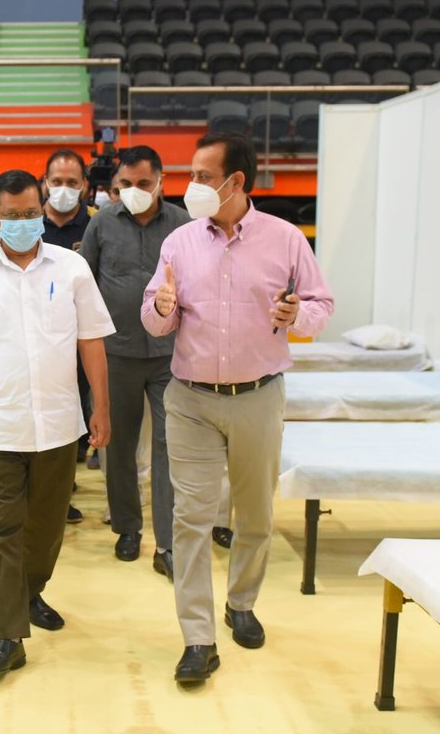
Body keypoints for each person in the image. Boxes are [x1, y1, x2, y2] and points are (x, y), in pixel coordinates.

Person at [141, 133, 334, 685]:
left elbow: (320, 304)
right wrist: (162, 306)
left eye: (203, 177)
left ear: (237, 181)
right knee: (191, 519)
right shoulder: (179, 242)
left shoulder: (285, 239)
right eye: (192, 175)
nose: (192, 186)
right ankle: (197, 637)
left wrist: (297, 316)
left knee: (255, 514)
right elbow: (153, 317)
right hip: (190, 400)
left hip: (258, 397)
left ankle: (241, 602)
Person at [0, 169, 114, 675]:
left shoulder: (72, 267)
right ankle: (7, 635)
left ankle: (30, 591)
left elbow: (91, 342)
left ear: (43, 211)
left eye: (31, 213)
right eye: (12, 215)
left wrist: (101, 407)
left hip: (58, 423)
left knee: (47, 525)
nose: (22, 222)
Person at [80, 144, 190, 579]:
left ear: (161, 181)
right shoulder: (103, 223)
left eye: (144, 183)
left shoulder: (183, 224)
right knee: (118, 445)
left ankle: (167, 543)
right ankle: (127, 527)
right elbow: (84, 283)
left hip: (170, 355)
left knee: (169, 447)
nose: (134, 191)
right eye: (125, 183)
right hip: (116, 353)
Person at [41, 148, 95, 492]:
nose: (64, 188)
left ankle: (64, 483)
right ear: (45, 183)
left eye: (72, 182)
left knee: (81, 411)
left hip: (84, 338)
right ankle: (53, 488)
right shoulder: (28, 225)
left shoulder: (97, 224)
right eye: (57, 181)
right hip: (40, 339)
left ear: (84, 185)